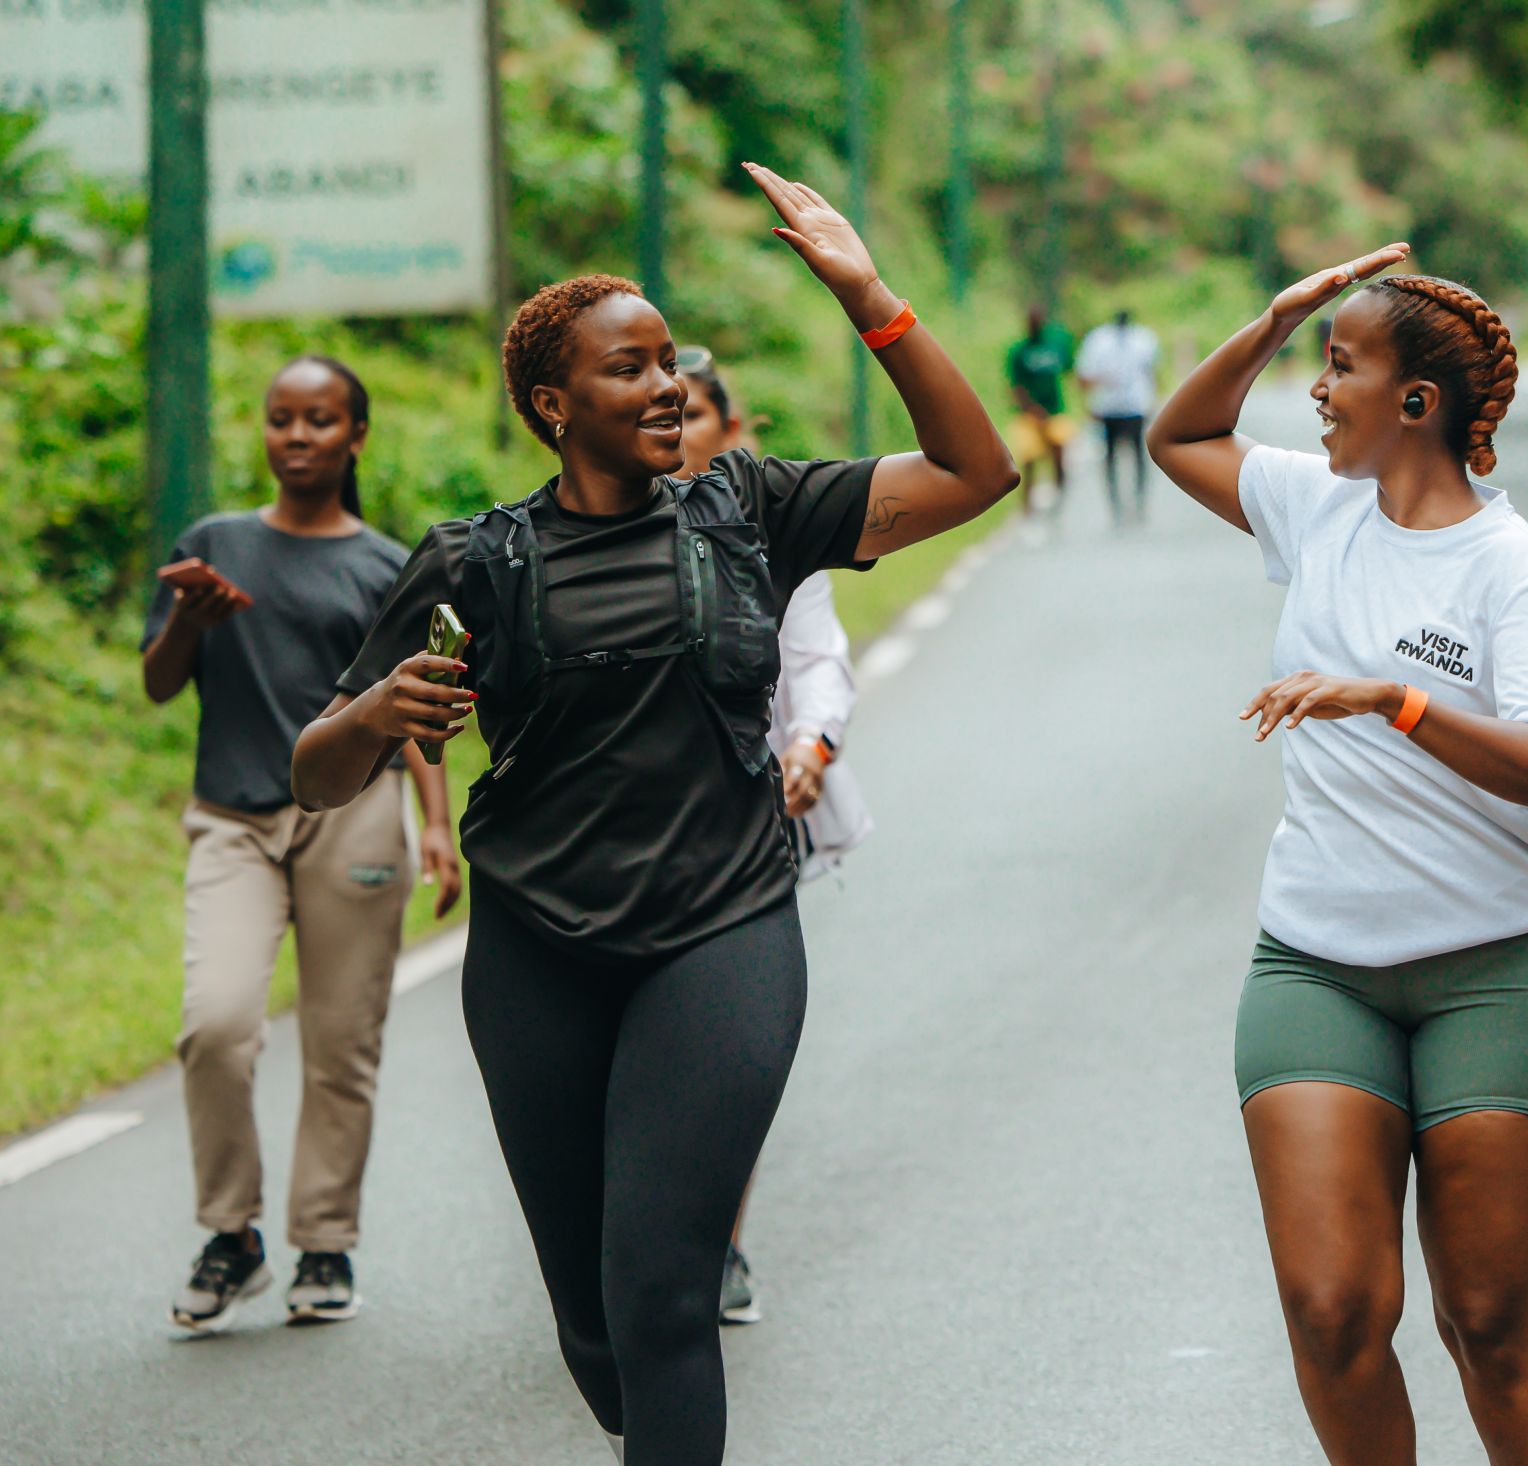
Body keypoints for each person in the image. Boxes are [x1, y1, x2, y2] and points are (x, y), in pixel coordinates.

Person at [290, 164, 1015, 1464]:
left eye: (671, 361)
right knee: (594, 1325)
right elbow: (316, 770)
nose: (669, 384)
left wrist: (871, 298)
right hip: (538, 950)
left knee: (664, 1292)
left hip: (722, 927)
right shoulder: (473, 561)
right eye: (631, 369)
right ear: (553, 404)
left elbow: (978, 470)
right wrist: (376, 715)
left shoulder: (752, 510)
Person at [1148, 248, 1528, 1466]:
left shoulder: (1516, 570)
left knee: (1488, 1318)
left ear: (1415, 402)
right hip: (1317, 965)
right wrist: (1279, 314)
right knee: (1329, 1309)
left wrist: (1395, 701)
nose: (1317, 391)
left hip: (1503, 970)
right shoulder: (1318, 505)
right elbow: (1178, 434)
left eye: (1340, 366)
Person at [141, 355, 462, 1335]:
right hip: (232, 819)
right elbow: (159, 685)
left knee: (340, 1042)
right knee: (216, 1022)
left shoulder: (384, 564)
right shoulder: (214, 544)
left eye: (320, 419)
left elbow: (409, 708)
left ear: (354, 436)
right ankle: (230, 1233)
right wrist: (188, 624)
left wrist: (437, 824)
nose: (297, 435)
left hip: (354, 817)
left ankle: (324, 1239)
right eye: (281, 418)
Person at [675, 344, 875, 1327]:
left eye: (690, 414)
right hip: (624, 835)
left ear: (729, 429)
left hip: (755, 815)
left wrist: (810, 742)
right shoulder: (564, 535)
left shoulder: (763, 525)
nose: (670, 431)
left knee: (721, 1046)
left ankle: (717, 1237)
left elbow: (817, 655)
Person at [1076, 308, 1161, 524]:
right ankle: (1116, 502)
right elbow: (1085, 376)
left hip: (1134, 404)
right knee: (1111, 456)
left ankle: (1138, 499)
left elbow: (1150, 373)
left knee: (1137, 454)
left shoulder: (1142, 338)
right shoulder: (1099, 340)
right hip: (1109, 407)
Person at [1004, 305, 1077, 515]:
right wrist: (1030, 408)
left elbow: (1068, 369)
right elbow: (1014, 386)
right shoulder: (1019, 351)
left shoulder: (1054, 347)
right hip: (1029, 414)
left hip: (1054, 411)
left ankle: (1060, 498)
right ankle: (1026, 507)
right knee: (1028, 461)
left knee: (1059, 455)